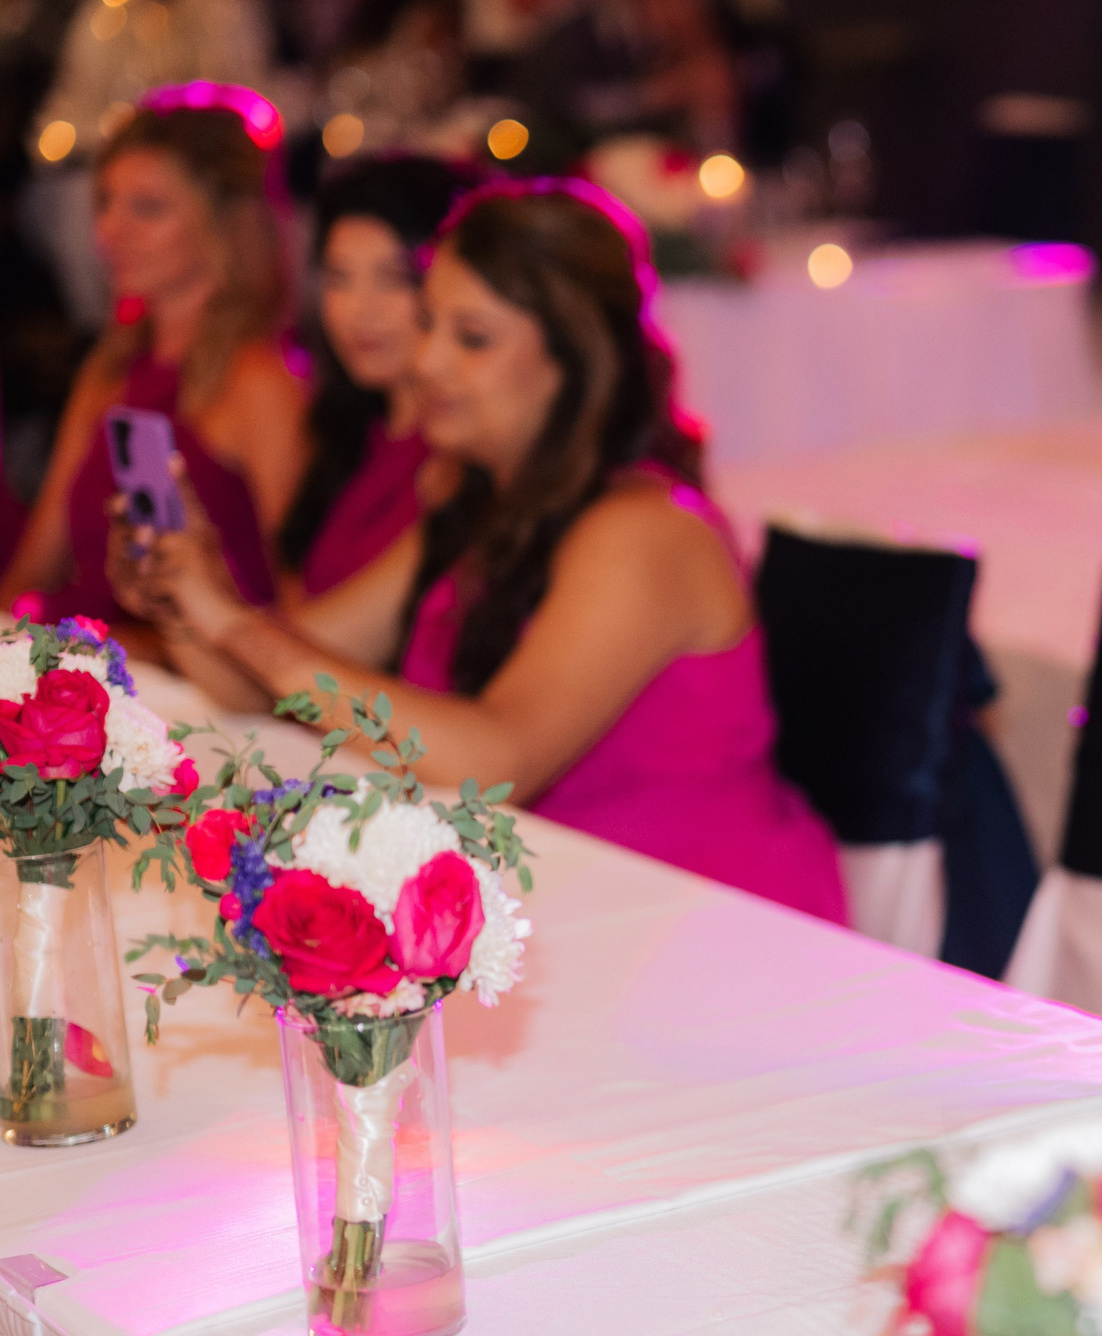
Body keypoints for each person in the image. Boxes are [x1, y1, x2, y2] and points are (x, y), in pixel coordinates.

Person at [117, 180, 847, 925]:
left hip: (709, 921)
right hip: (554, 903)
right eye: (429, 323)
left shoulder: (648, 533)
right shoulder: (475, 500)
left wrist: (236, 623)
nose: (428, 362)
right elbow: (269, 685)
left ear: (576, 362)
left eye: (472, 338)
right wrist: (188, 595)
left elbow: (495, 761)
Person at [2, 93, 303, 627]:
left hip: (192, 671)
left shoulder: (259, 381)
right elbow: (36, 567)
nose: (109, 231)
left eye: (148, 208)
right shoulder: (111, 370)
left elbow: (298, 614)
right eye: (106, 203)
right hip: (81, 654)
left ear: (222, 225)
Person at [278, 153, 484, 597]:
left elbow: (329, 632)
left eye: (393, 278)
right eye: (339, 278)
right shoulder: (345, 434)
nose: (359, 310)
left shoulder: (460, 456)